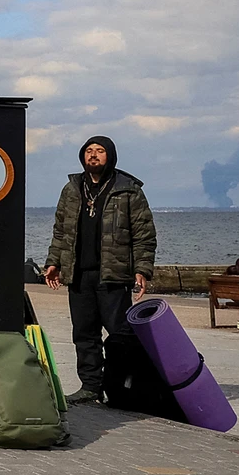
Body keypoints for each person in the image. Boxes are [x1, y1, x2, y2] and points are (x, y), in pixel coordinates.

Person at [43, 136, 157, 404]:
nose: (93, 156)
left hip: (113, 275)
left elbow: (144, 235)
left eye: (100, 151)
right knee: (84, 334)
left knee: (120, 335)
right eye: (89, 151)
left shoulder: (128, 191)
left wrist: (142, 270)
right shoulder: (72, 189)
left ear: (111, 156)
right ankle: (90, 387)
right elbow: (61, 231)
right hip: (80, 275)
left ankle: (121, 389)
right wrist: (53, 262)